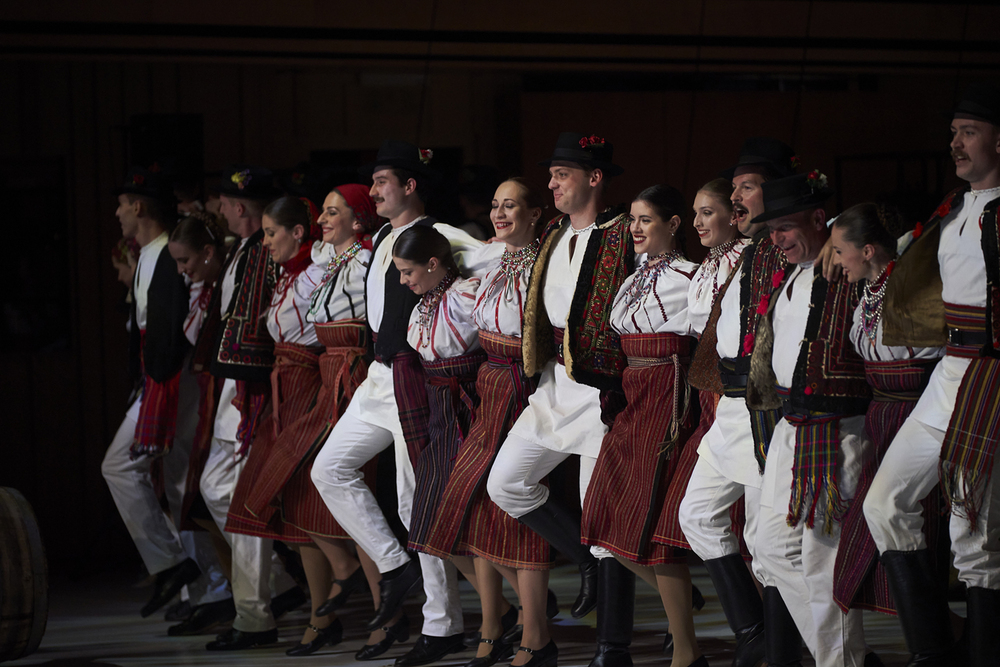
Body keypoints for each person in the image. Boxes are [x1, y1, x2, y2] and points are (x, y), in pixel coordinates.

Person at [311, 140, 499, 667]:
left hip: (413, 378)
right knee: (329, 470)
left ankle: (441, 626)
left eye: (381, 182)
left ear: (410, 186)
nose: (371, 192)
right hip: (376, 377)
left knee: (416, 502)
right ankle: (396, 567)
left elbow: (493, 256)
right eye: (370, 184)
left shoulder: (440, 236)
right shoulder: (378, 239)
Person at [863, 82, 1000, 666]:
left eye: (968, 132)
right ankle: (933, 650)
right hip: (948, 373)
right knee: (884, 503)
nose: (955, 144)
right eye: (953, 134)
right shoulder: (953, 208)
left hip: (992, 380)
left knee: (978, 533)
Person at [487, 131, 634, 667]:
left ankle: (612, 647)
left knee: (603, 524)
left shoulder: (623, 237)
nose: (551, 183)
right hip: (552, 387)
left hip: (601, 394)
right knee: (505, 483)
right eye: (550, 174)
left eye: (562, 174)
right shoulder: (550, 232)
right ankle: (584, 560)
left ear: (594, 178)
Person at [220, 195, 383, 656]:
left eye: (273, 232)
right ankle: (324, 610)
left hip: (321, 384)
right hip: (289, 389)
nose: (266, 241)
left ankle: (374, 613)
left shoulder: (325, 263)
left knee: (333, 502)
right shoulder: (294, 273)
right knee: (285, 499)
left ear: (297, 233)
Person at [420, 178, 554, 667]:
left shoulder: (545, 262)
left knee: (512, 517)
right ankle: (497, 621)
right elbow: (446, 241)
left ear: (535, 213)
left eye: (511, 206)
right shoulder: (492, 259)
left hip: (522, 385)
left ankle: (536, 634)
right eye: (495, 206)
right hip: (487, 384)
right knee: (471, 508)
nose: (499, 214)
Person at [676, 139, 799, 667]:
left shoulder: (778, 251)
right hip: (729, 407)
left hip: (762, 410)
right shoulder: (748, 253)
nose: (737, 198)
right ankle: (753, 633)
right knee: (697, 514)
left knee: (763, 537)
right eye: (735, 189)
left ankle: (779, 649)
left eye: (746, 188)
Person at [748, 170, 872, 667]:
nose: (777, 239)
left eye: (785, 226)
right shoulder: (791, 273)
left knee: (824, 561)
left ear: (820, 218)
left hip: (834, 427)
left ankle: (840, 661)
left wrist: (837, 234)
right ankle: (841, 657)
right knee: (767, 548)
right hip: (790, 426)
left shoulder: (841, 264)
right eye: (771, 229)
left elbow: (882, 235)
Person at [580, 184, 706, 667]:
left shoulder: (689, 277)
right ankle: (683, 613)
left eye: (645, 219)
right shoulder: (631, 278)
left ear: (673, 225)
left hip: (666, 397)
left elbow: (703, 343)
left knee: (650, 530)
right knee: (601, 523)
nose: (633, 228)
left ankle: (687, 651)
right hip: (632, 398)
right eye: (631, 219)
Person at [199, 165, 303, 651]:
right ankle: (275, 589)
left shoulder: (263, 253)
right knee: (216, 488)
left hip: (253, 389)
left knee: (236, 495)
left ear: (238, 207)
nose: (219, 210)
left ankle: (255, 615)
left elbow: (260, 324)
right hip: (235, 386)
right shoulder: (243, 250)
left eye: (223, 203)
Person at [827, 204, 947, 621]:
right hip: (880, 419)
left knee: (910, 519)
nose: (837, 260)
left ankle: (937, 631)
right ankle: (933, 632)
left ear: (868, 250)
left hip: (914, 415)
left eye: (841, 251)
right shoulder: (866, 297)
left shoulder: (909, 290)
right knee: (869, 526)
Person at [100, 166, 204, 620]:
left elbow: (167, 329)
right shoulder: (147, 255)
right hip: (159, 378)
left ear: (138, 206)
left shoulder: (163, 256)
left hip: (170, 379)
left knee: (121, 465)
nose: (118, 213)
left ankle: (173, 566)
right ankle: (206, 592)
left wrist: (156, 382)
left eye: (122, 205)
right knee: (181, 484)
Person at [163, 212, 238, 636]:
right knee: (201, 496)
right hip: (209, 395)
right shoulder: (203, 289)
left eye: (186, 261)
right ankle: (231, 592)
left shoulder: (222, 286)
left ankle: (247, 594)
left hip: (224, 396)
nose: (182, 271)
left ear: (209, 252)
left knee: (210, 493)